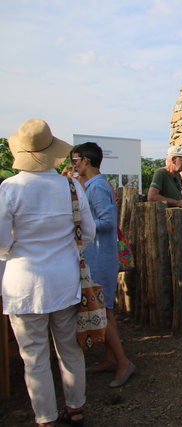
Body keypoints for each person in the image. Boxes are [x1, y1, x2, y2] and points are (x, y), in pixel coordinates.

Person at [0, 119, 96, 426]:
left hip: (24, 282)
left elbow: (1, 243)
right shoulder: (70, 186)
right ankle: (76, 407)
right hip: (64, 279)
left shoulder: (10, 189)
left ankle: (46, 417)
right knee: (69, 348)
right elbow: (88, 233)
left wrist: (15, 250)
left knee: (34, 356)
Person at [72, 143, 135, 388]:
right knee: (105, 310)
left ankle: (122, 362)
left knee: (102, 311)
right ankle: (111, 358)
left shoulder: (97, 187)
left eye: (76, 160)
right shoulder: (95, 185)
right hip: (98, 255)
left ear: (86, 161)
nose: (74, 165)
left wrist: (77, 222)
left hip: (99, 257)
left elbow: (107, 222)